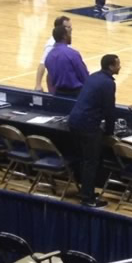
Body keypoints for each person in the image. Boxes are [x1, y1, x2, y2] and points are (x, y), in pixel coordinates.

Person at [67, 54, 120, 208]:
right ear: (111, 66)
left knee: (84, 159)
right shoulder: (108, 83)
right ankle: (87, 198)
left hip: (74, 121)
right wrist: (110, 131)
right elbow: (109, 109)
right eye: (118, 64)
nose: (120, 67)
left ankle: (85, 190)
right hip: (88, 125)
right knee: (91, 162)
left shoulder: (93, 77)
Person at [44, 25, 88, 98]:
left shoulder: (49, 56)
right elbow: (83, 75)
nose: (70, 36)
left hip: (58, 94)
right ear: (64, 36)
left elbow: (50, 78)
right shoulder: (72, 54)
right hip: (75, 94)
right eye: (69, 34)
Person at [35, 16, 71, 91]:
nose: (71, 29)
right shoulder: (51, 44)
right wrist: (38, 85)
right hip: (56, 80)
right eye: (68, 27)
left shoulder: (65, 39)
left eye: (70, 27)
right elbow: (42, 64)